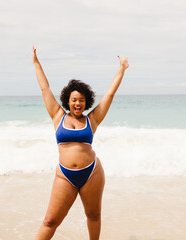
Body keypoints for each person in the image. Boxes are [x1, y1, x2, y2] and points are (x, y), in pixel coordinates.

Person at [31, 46, 129, 240]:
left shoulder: (92, 119)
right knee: (50, 221)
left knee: (93, 216)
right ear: (68, 101)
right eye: (74, 100)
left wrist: (122, 69)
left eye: (81, 100)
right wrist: (35, 62)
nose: (78, 104)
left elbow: (109, 95)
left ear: (86, 102)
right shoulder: (58, 115)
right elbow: (45, 88)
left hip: (91, 172)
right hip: (65, 175)